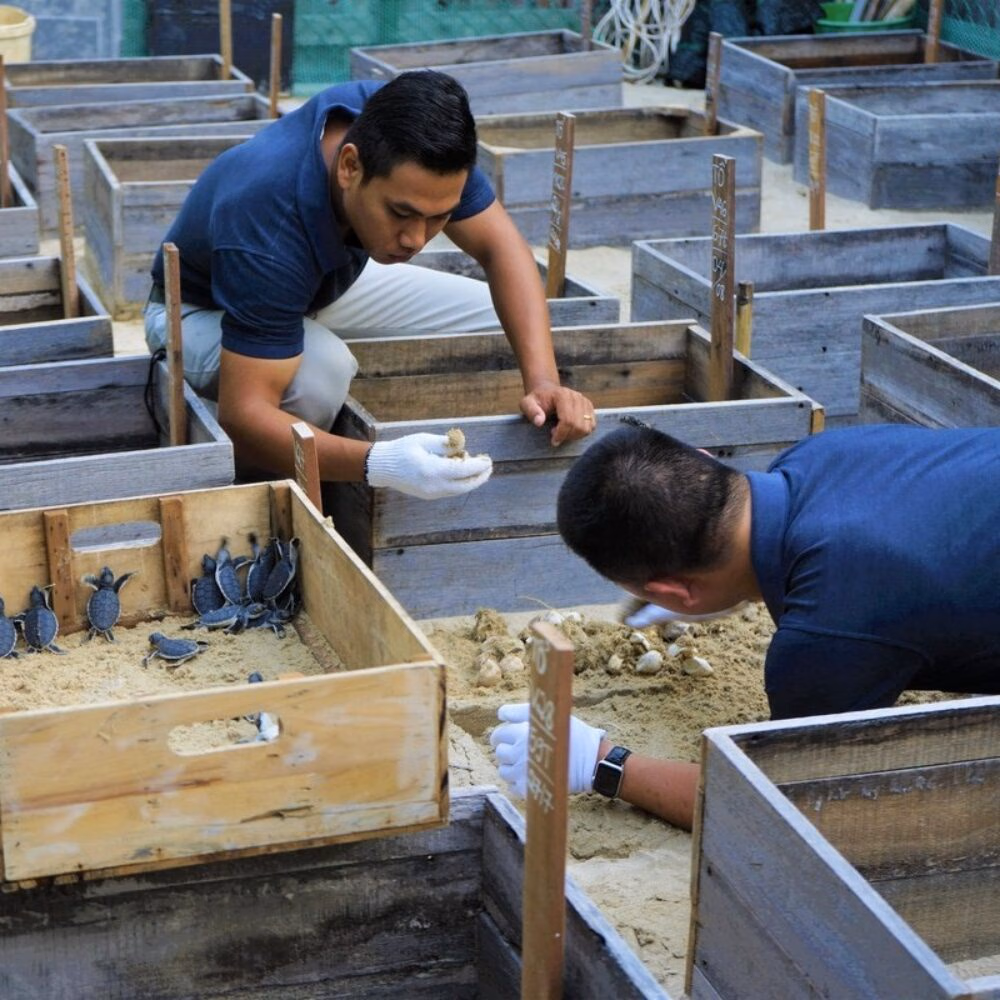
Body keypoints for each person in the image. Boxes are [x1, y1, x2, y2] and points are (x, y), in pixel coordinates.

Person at [491, 422, 1000, 830]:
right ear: (706, 456)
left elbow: (780, 807)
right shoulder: (821, 453)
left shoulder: (822, 639)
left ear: (675, 593)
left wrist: (604, 765)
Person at [144, 71, 596, 499]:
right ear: (349, 167)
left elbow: (504, 250)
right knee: (320, 372)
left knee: (491, 313)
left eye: (438, 216)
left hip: (316, 288)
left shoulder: (406, 129)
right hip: (199, 311)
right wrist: (380, 462)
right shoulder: (269, 227)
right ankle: (273, 499)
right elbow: (244, 416)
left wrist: (543, 382)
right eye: (401, 213)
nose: (416, 240)